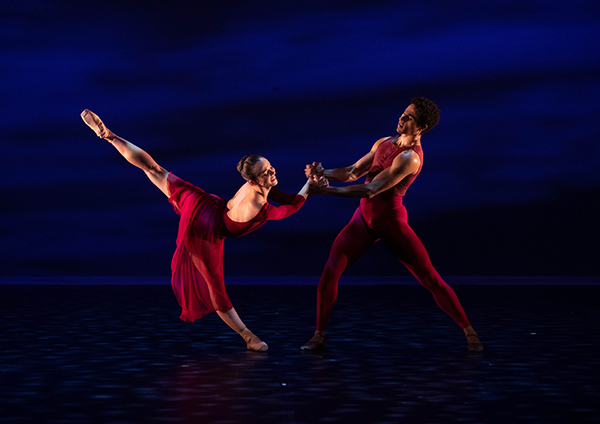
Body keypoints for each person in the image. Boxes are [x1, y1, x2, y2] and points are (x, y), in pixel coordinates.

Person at [81, 109, 323, 352]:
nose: (273, 172)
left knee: (154, 169)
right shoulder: (259, 205)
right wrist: (310, 187)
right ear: (253, 181)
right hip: (204, 229)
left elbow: (289, 196)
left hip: (204, 203)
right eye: (266, 172)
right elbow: (292, 208)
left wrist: (309, 183)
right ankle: (248, 336)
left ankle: (109, 135)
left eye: (270, 168)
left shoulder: (259, 186)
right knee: (215, 286)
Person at [301, 97, 483, 352]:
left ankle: (470, 332)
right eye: (403, 113)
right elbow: (353, 171)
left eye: (409, 117)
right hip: (363, 220)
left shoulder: (411, 158)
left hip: (390, 222)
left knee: (430, 278)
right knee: (330, 271)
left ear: (421, 128)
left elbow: (371, 188)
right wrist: (322, 173)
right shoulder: (384, 142)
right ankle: (319, 336)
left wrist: (326, 191)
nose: (401, 118)